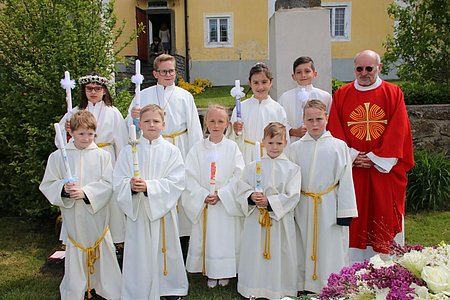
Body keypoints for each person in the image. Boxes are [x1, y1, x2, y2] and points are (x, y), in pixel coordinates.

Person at [327, 50, 414, 263]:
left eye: (369, 68)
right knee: (355, 215)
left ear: (379, 68)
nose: (364, 73)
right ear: (354, 69)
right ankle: (352, 265)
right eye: (359, 69)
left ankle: (386, 263)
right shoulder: (342, 94)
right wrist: (353, 156)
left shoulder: (393, 93)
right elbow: (335, 130)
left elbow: (398, 130)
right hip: (353, 170)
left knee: (383, 212)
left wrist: (376, 158)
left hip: (383, 170)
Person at [127, 53, 203, 258]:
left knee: (179, 191)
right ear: (155, 73)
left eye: (171, 71)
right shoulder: (142, 95)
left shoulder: (185, 96)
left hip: (180, 145)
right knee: (157, 188)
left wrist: (196, 156)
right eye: (163, 71)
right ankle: (156, 238)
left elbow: (194, 127)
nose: (168, 74)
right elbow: (131, 127)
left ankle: (182, 239)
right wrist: (134, 118)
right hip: (153, 148)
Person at [40, 110, 122, 300]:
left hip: (96, 215)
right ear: (72, 133)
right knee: (77, 246)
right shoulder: (58, 157)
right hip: (74, 216)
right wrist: (64, 190)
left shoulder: (103, 156)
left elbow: (108, 184)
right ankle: (77, 287)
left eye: (90, 134)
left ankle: (105, 286)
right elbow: (48, 184)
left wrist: (86, 193)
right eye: (81, 134)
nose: (86, 138)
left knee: (101, 246)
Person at [114, 104, 188, 300]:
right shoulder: (129, 150)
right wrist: (129, 186)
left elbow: (177, 181)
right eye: (146, 121)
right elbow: (118, 180)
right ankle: (138, 289)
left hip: (161, 212)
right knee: (140, 252)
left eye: (156, 121)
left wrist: (149, 187)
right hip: (139, 211)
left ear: (163, 124)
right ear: (139, 124)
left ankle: (170, 287)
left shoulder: (171, 151)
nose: (151, 125)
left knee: (166, 249)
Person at [289, 100, 358, 293]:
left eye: (319, 118)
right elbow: (290, 179)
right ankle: (304, 283)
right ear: (303, 120)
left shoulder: (338, 146)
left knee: (330, 246)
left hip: (329, 204)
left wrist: (345, 211)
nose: (315, 124)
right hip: (304, 204)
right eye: (309, 119)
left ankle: (331, 282)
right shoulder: (296, 148)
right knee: (303, 243)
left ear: (327, 118)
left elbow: (346, 180)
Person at [56, 73, 128, 246]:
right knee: (82, 194)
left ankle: (114, 238)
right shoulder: (73, 112)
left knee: (106, 195)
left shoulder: (113, 112)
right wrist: (67, 131)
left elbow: (122, 141)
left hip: (106, 155)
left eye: (98, 89)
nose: (93, 92)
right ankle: (78, 236)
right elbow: (59, 141)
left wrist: (121, 167)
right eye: (89, 89)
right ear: (84, 91)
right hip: (82, 159)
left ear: (104, 91)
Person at [182, 104, 245, 288]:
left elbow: (239, 174)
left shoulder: (232, 147)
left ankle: (225, 271)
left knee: (225, 237)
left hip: (225, 202)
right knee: (208, 236)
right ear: (205, 123)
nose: (216, 125)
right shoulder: (197, 148)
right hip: (206, 203)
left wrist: (222, 194)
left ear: (227, 124)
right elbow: (189, 176)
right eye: (212, 121)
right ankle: (210, 270)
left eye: (220, 121)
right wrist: (203, 194)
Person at [237, 122, 301, 299]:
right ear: (263, 142)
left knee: (279, 256)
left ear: (286, 144)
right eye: (270, 143)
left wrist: (271, 202)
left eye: (279, 143)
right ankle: (254, 288)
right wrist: (251, 197)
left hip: (279, 222)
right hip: (256, 221)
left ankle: (280, 289)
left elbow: (293, 195)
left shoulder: (292, 169)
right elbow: (241, 188)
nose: (274, 147)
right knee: (255, 254)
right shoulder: (252, 167)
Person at [229, 62, 289, 163]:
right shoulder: (241, 107)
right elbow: (231, 137)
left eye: (264, 82)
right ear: (250, 83)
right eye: (256, 83)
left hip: (270, 156)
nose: (260, 87)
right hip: (246, 155)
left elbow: (284, 138)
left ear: (270, 82)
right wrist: (235, 131)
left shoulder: (278, 109)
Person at [278, 56, 332, 142]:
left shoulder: (325, 96)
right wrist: (292, 131)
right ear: (293, 76)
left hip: (320, 141)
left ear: (314, 74)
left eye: (307, 71)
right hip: (294, 141)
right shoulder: (285, 97)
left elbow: (331, 120)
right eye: (299, 72)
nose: (303, 75)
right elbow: (279, 120)